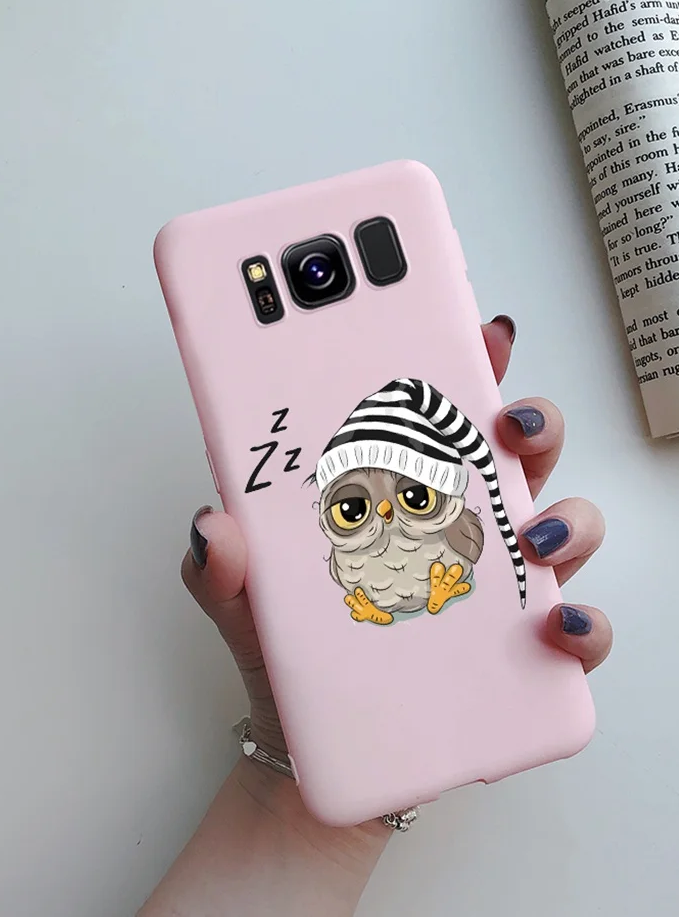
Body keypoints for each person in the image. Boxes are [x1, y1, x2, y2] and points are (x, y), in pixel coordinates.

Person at [138, 317, 612, 917]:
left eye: (415, 498)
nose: (385, 518)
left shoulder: (458, 531)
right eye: (354, 508)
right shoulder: (348, 561)